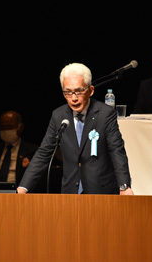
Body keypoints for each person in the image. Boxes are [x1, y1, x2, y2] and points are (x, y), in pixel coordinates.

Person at [17, 63, 133, 195]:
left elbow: (116, 150)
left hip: (101, 191)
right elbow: (44, 153)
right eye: (68, 92)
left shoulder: (105, 114)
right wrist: (23, 187)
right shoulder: (58, 116)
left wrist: (124, 186)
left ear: (91, 90)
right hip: (70, 192)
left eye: (78, 91)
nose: (73, 98)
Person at [0, 110, 46, 192]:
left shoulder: (33, 151)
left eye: (10, 127)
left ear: (20, 127)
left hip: (21, 195)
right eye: (3, 127)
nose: (6, 130)